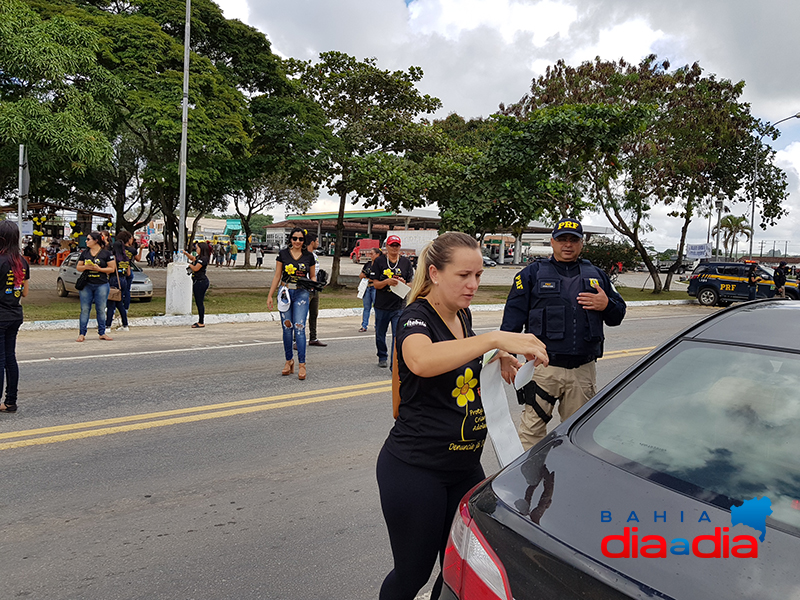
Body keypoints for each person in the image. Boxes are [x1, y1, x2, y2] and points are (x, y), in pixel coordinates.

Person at [376, 232, 549, 600]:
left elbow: (458, 356)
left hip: (464, 467)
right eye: (463, 276)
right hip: (416, 469)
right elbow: (422, 360)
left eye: (479, 276)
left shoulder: (461, 314)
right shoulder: (415, 317)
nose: (473, 285)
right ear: (435, 274)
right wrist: (494, 340)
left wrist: (494, 357)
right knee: (413, 573)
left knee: (462, 566)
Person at [500, 217, 626, 450]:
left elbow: (617, 316)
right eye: (562, 239)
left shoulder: (598, 275)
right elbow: (511, 322)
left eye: (573, 240)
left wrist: (606, 304)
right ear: (552, 242)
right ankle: (528, 482)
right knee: (531, 432)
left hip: (582, 372)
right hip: (542, 369)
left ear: (581, 243)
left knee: (579, 437)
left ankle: (570, 483)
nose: (567, 244)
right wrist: (506, 356)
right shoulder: (531, 274)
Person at [267, 228, 316, 380]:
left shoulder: (309, 256)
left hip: (302, 293)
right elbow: (277, 276)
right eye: (294, 238)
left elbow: (313, 276)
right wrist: (270, 295)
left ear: (304, 241)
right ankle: (289, 361)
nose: (297, 242)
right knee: (287, 328)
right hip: (285, 292)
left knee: (299, 327)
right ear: (290, 239)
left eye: (300, 239)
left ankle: (302, 363)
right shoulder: (283, 254)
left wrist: (313, 286)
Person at [369, 235, 414, 368]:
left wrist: (404, 283)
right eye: (392, 245)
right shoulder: (379, 262)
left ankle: (394, 364)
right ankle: (382, 355)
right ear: (387, 247)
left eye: (397, 245)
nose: (394, 248)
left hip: (399, 306)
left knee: (398, 335)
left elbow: (412, 283)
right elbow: (375, 284)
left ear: (400, 247)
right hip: (381, 305)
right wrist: (387, 282)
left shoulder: (406, 263)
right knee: (380, 334)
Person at [0, 222, 29, 413]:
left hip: (0, 316)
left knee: (0, 360)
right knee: (10, 358)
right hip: (15, 314)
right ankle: (11, 401)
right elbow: (25, 293)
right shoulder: (21, 261)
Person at [76, 231, 116, 342]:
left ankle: (102, 332)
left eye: (88, 239)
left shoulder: (106, 254)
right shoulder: (85, 253)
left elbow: (111, 269)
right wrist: (86, 266)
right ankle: (82, 333)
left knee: (101, 309)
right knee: (85, 309)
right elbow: (78, 267)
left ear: (96, 240)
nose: (86, 241)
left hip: (101, 284)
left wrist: (99, 269)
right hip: (87, 284)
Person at [304, 233, 327, 347]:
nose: (318, 243)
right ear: (312, 242)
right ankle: (296, 339)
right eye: (317, 241)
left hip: (314, 289)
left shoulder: (314, 255)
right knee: (301, 314)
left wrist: (320, 281)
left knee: (314, 314)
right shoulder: (303, 256)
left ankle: (313, 337)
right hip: (305, 289)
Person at [183, 241, 211, 328]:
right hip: (197, 281)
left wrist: (190, 266)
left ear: (201, 249)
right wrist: (185, 253)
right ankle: (200, 320)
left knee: (199, 302)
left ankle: (201, 322)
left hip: (201, 282)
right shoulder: (199, 257)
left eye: (197, 248)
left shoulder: (203, 259)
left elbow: (196, 268)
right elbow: (193, 258)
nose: (196, 249)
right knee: (198, 302)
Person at [105, 239, 130, 332]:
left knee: (111, 304)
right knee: (120, 304)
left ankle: (107, 326)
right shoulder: (126, 258)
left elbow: (111, 270)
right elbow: (128, 273)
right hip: (123, 280)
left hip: (114, 279)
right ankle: (125, 324)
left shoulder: (114, 258)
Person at [359, 247, 380, 332]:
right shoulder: (368, 264)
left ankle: (377, 326)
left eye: (372, 254)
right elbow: (361, 275)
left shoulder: (380, 265)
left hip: (375, 287)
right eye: (370, 254)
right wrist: (367, 277)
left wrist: (369, 278)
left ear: (377, 255)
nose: (370, 255)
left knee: (377, 308)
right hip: (367, 287)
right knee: (366, 307)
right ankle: (364, 325)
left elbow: (378, 278)